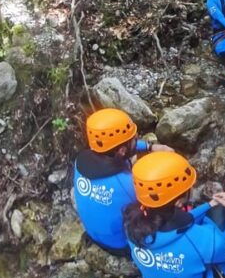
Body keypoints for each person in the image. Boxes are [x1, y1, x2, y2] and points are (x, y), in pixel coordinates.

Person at [124, 152, 225, 278]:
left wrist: (209, 204)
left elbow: (174, 225)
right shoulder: (203, 238)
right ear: (178, 202)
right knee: (220, 215)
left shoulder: (130, 222)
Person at [73, 108, 174, 256]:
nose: (136, 138)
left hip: (93, 232)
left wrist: (149, 147)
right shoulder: (128, 183)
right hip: (119, 245)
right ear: (121, 151)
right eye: (135, 138)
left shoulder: (81, 162)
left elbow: (125, 147)